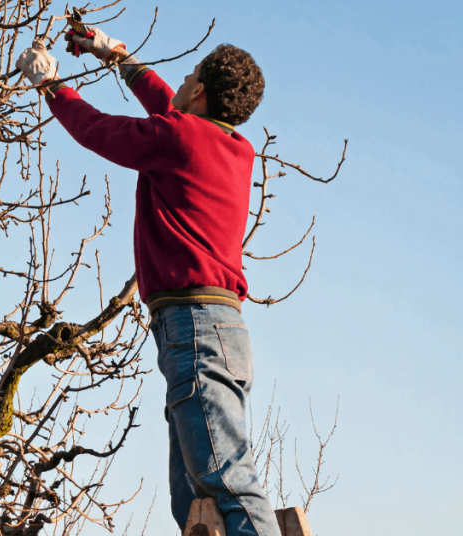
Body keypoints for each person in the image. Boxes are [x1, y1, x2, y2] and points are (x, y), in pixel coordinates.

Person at [15, 29, 278, 536]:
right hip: (215, 329)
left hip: (196, 329)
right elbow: (170, 105)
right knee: (194, 503)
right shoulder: (233, 148)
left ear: (199, 93)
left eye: (191, 75)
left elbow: (100, 130)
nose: (181, 78)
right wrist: (115, 55)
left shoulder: (177, 138)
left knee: (226, 480)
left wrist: (50, 86)